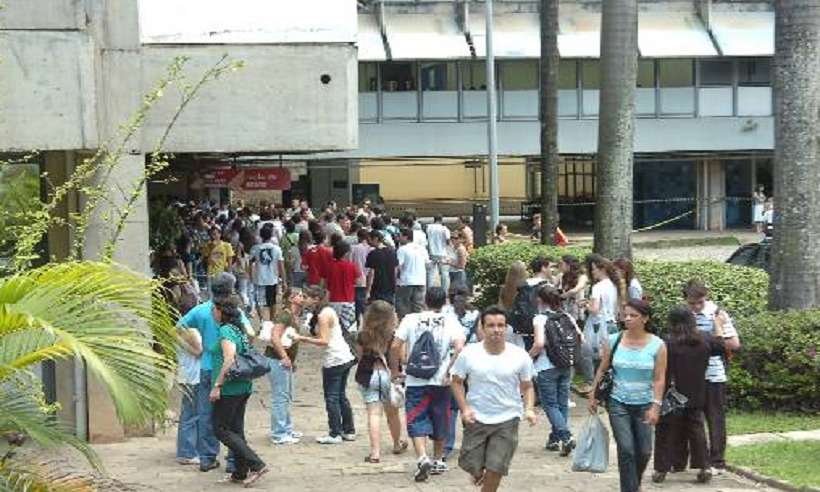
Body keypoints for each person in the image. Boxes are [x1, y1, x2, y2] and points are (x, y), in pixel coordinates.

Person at [450, 306, 537, 492]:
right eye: (491, 325)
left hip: (508, 417)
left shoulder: (519, 355)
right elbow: (456, 382)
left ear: (506, 328)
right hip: (476, 417)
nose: (496, 330)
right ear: (482, 328)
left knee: (496, 467)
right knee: (472, 464)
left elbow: (528, 386)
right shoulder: (469, 354)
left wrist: (528, 408)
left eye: (500, 325)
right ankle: (477, 471)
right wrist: (464, 408)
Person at [177, 273, 253, 473]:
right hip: (229, 371)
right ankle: (233, 460)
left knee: (205, 414)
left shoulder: (201, 310)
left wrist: (194, 349)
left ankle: (207, 457)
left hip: (207, 368)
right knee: (233, 418)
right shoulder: (234, 311)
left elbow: (178, 328)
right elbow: (250, 334)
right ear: (231, 289)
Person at [589, 299, 667, 492]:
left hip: (645, 403)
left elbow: (659, 378)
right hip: (618, 402)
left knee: (644, 451)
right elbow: (602, 369)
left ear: (645, 318)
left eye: (634, 315)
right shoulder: (614, 340)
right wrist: (593, 393)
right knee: (626, 450)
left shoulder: (658, 345)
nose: (628, 319)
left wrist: (656, 406)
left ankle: (634, 484)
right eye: (625, 315)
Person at [390, 287, 466, 482]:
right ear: (445, 303)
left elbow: (395, 345)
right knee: (441, 417)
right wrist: (450, 369)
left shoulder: (410, 319)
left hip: (415, 379)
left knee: (416, 417)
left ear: (425, 301)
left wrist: (395, 370)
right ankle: (439, 459)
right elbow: (459, 347)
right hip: (441, 380)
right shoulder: (450, 321)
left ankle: (423, 456)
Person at [653, 306, 725, 484]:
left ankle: (662, 468)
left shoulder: (668, 342)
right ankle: (704, 466)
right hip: (697, 391)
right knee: (697, 430)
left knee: (665, 430)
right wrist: (718, 324)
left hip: (672, 393)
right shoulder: (704, 339)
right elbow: (721, 347)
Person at [209, 294, 268, 486]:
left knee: (220, 429)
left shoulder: (226, 331)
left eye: (214, 309)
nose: (212, 313)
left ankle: (256, 464)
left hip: (230, 388)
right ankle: (240, 472)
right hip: (242, 385)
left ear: (220, 311)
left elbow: (229, 359)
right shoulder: (238, 329)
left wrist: (217, 385)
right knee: (235, 429)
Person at [682, 280, 740, 475]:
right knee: (692, 419)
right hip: (690, 375)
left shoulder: (717, 314)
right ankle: (699, 460)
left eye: (700, 302)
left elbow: (733, 344)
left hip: (714, 375)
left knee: (715, 418)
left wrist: (717, 329)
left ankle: (717, 460)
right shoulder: (683, 316)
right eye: (692, 303)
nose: (697, 307)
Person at [294, 285, 357, 444]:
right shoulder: (327, 311)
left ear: (315, 299)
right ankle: (348, 430)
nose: (304, 299)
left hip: (334, 359)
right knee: (341, 395)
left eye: (306, 296)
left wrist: (302, 339)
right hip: (344, 356)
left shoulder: (323, 315)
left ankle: (335, 432)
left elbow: (324, 340)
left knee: (332, 397)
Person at [354, 301, 409, 463]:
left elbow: (360, 356)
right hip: (389, 376)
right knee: (392, 414)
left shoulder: (362, 335)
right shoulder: (395, 336)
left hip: (368, 374)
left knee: (373, 414)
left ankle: (375, 453)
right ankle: (397, 443)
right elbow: (402, 358)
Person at [529, 285, 580, 456]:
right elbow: (581, 338)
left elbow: (539, 344)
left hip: (546, 366)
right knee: (561, 403)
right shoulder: (567, 316)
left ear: (540, 300)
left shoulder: (540, 319)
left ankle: (566, 436)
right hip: (566, 365)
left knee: (550, 404)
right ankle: (555, 439)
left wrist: (527, 357)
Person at [265, 288, 304, 445]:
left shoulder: (294, 316)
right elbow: (275, 336)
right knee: (280, 396)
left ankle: (286, 428)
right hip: (276, 360)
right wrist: (284, 357)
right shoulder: (285, 315)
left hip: (285, 360)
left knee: (286, 395)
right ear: (291, 298)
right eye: (299, 295)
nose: (302, 298)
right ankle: (279, 432)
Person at [579, 254, 623, 385]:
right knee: (609, 356)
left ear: (602, 269)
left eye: (594, 269)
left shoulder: (597, 287)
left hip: (598, 325)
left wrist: (585, 305)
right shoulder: (614, 285)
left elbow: (595, 309)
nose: (592, 272)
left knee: (589, 354)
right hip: (612, 323)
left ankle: (593, 383)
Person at [176, 325, 203, 466]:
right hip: (193, 377)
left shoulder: (179, 331)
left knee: (189, 414)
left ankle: (188, 449)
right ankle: (186, 452)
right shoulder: (190, 332)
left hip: (186, 375)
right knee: (191, 415)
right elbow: (199, 352)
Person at [250, 226, 286, 321]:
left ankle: (262, 320)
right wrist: (284, 281)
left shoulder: (256, 249)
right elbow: (281, 266)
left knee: (259, 302)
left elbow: (250, 262)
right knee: (272, 302)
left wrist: (250, 275)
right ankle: (271, 320)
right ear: (271, 236)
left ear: (261, 236)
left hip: (259, 279)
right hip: (272, 279)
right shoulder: (277, 249)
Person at [325, 240, 360, 332]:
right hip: (348, 300)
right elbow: (358, 281)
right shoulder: (352, 266)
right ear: (346, 253)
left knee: (333, 327)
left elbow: (326, 283)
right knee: (348, 328)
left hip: (333, 299)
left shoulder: (330, 266)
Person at [396, 227, 429, 319]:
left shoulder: (402, 249)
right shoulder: (422, 249)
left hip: (406, 281)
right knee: (418, 306)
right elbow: (427, 263)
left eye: (400, 236)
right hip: (421, 280)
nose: (398, 238)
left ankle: (404, 324)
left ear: (406, 237)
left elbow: (398, 265)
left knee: (403, 305)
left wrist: (395, 279)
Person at [365, 230, 399, 305]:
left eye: (369, 239)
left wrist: (368, 291)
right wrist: (395, 284)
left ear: (375, 239)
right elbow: (395, 270)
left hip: (376, 288)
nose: (368, 242)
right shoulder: (392, 252)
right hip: (390, 288)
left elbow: (371, 273)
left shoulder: (373, 254)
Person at [350, 228, 373, 323]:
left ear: (358, 237)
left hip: (356, 280)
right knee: (363, 303)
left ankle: (357, 322)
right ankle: (365, 322)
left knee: (356, 304)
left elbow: (350, 263)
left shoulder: (354, 248)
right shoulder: (371, 249)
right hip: (368, 279)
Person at [426, 215, 451, 292]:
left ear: (434, 220)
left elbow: (427, 238)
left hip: (432, 253)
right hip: (442, 253)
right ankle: (444, 291)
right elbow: (448, 240)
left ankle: (429, 290)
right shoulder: (444, 229)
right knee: (444, 274)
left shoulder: (429, 227)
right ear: (441, 220)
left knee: (431, 273)